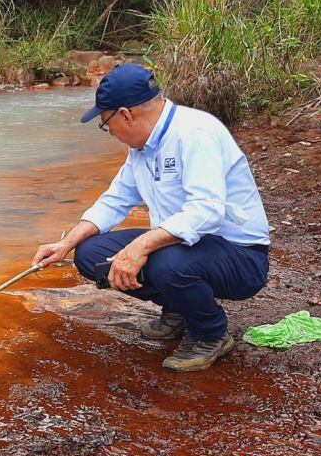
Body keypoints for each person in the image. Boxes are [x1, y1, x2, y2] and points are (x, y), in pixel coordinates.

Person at [32, 64, 271, 372]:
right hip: (185, 249)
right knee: (92, 255)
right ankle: (179, 309)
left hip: (240, 256)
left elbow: (207, 212)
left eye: (107, 124)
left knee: (162, 261)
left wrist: (139, 247)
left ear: (125, 115)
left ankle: (210, 334)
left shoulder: (195, 133)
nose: (111, 133)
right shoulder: (141, 150)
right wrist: (66, 243)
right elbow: (114, 201)